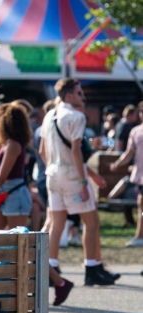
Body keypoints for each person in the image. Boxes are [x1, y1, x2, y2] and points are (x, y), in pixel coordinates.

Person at [39, 78, 116, 286]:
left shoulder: (48, 116)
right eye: (79, 92)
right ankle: (91, 267)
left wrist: (50, 170)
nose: (82, 96)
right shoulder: (76, 116)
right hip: (72, 175)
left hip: (52, 174)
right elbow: (75, 150)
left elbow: (41, 150)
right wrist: (83, 181)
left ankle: (51, 267)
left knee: (57, 223)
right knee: (91, 222)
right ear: (70, 95)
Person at [109, 101, 143, 247]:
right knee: (141, 205)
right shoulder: (136, 131)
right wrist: (118, 163)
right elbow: (129, 153)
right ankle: (140, 236)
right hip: (141, 175)